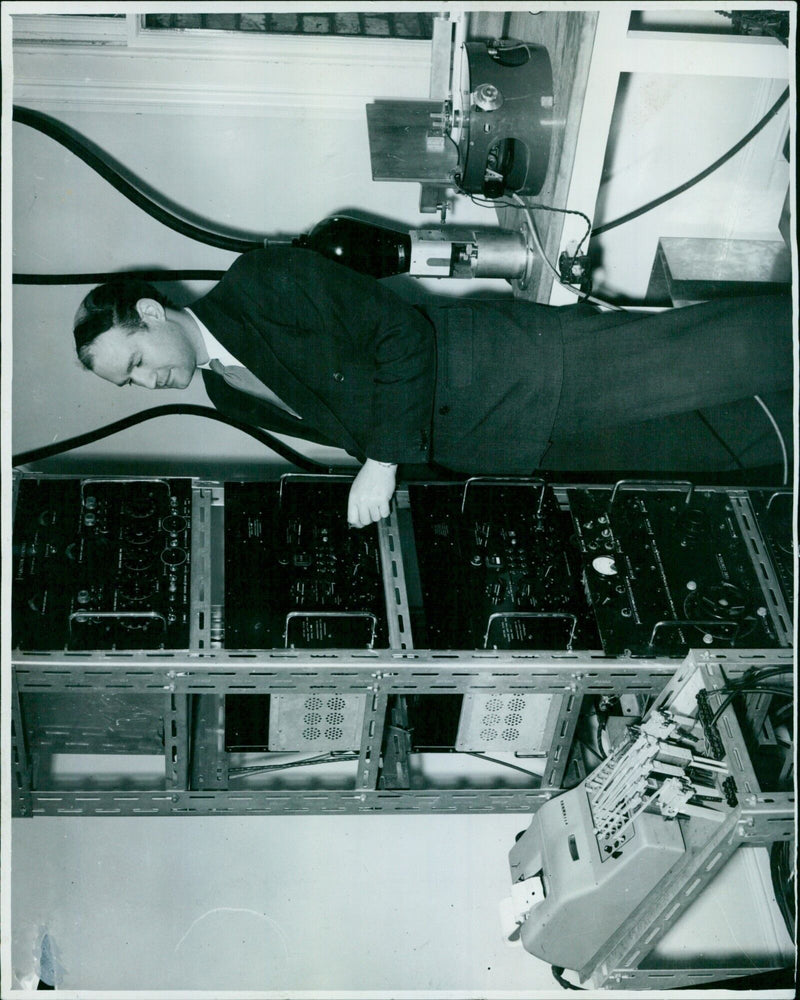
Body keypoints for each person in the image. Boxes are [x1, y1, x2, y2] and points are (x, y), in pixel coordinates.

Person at [73, 246, 793, 527]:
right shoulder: (225, 395)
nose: (147, 382)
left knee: (713, 356)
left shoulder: (261, 280)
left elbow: (402, 336)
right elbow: (367, 426)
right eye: (128, 385)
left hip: (518, 368)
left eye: (134, 362)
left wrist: (380, 465)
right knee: (706, 449)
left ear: (149, 312)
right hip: (508, 439)